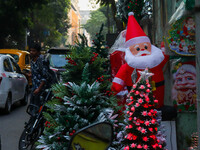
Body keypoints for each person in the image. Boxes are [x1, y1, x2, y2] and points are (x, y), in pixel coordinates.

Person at [28, 43, 50, 115]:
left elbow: (45, 77)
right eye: (31, 50)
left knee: (40, 110)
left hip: (41, 90)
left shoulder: (42, 61)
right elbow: (36, 73)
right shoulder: (32, 61)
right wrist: (30, 74)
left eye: (33, 51)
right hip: (34, 88)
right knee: (32, 108)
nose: (31, 52)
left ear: (38, 52)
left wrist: (39, 89)